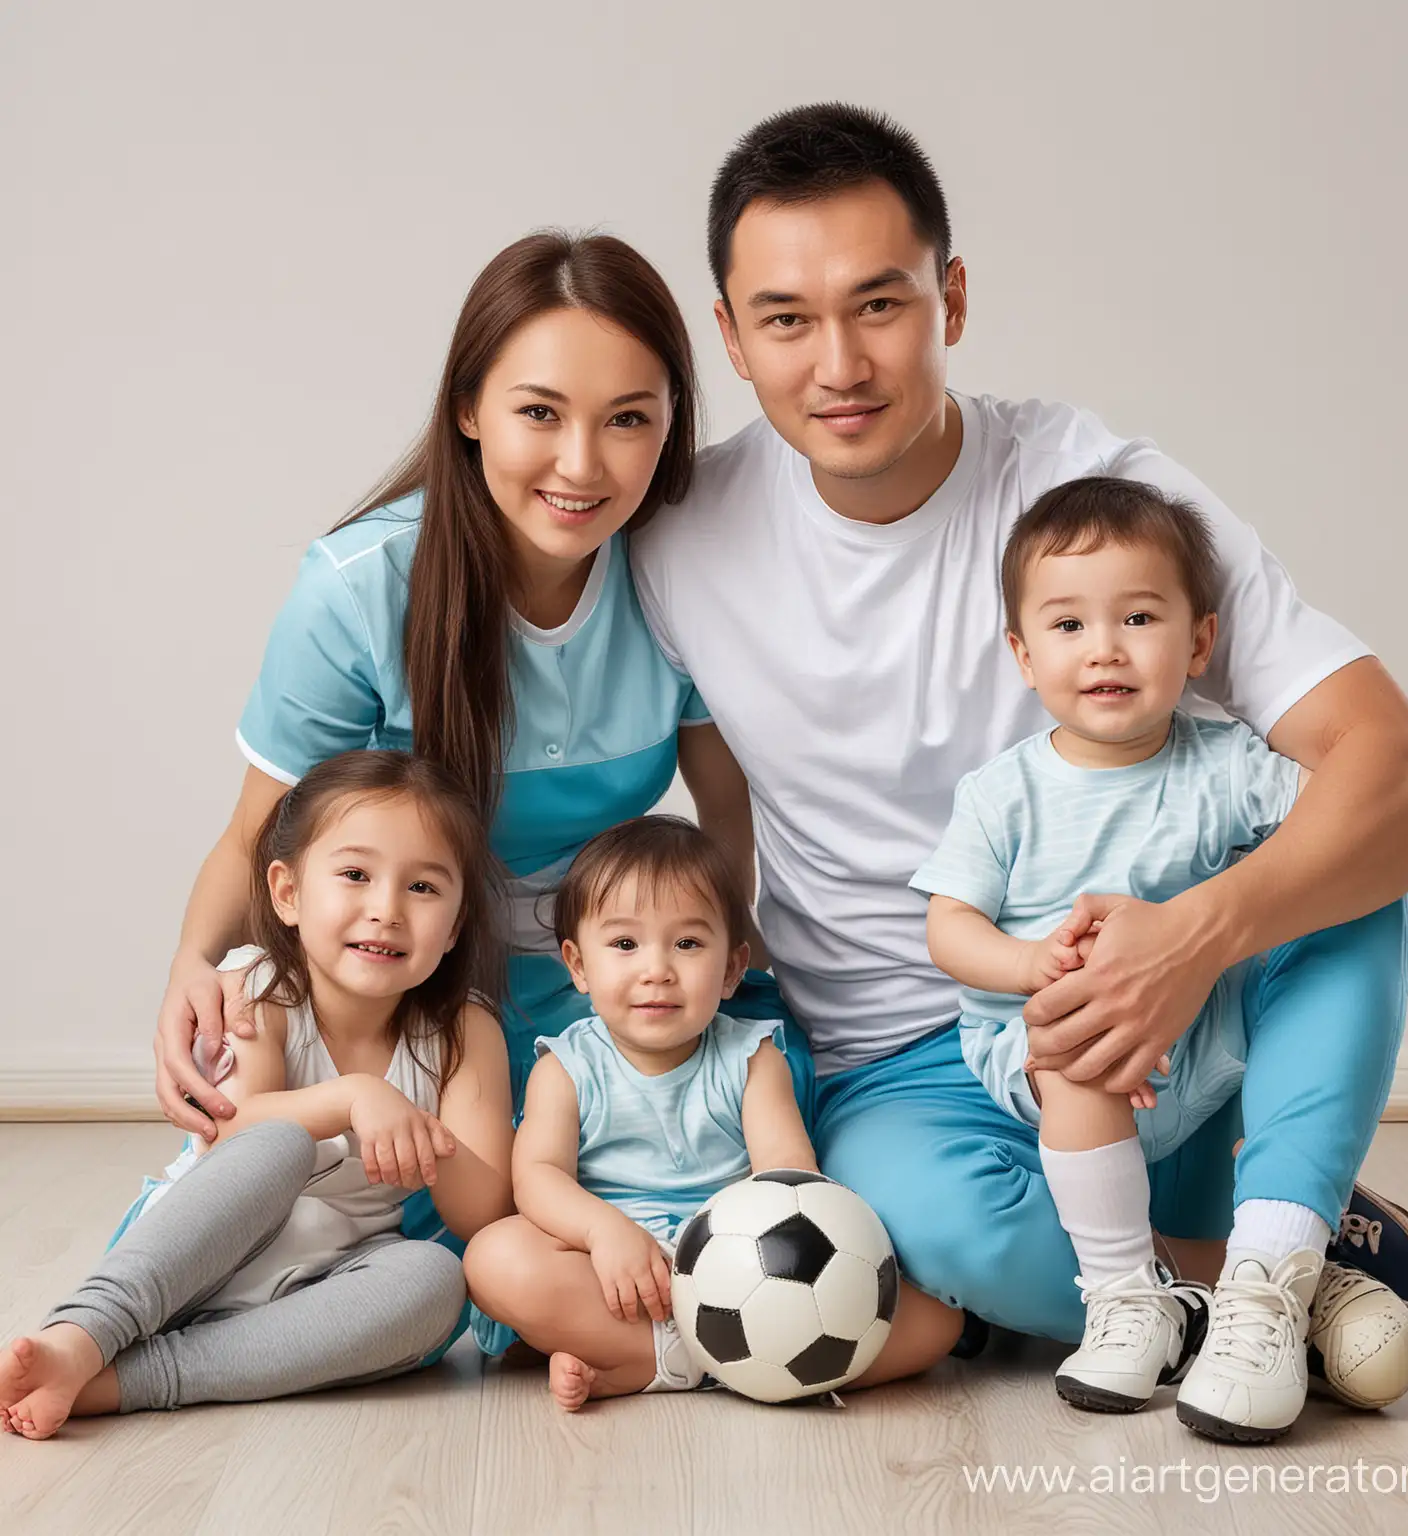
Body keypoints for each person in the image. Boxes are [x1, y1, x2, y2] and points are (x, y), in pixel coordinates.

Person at [628, 104, 1408, 1421]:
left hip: (1178, 1004)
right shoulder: (678, 534)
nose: (838, 362)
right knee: (961, 1255)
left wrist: (1194, 937)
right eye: (785, 319)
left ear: (951, 299)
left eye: (880, 304)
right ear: (729, 337)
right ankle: (1284, 1265)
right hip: (911, 1050)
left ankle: (1271, 1226)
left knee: (1358, 862)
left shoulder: (1095, 495)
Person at [147, 233, 814, 1350]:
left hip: (583, 987)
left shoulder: (681, 570)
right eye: (540, 413)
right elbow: (253, 836)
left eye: (629, 419)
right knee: (341, 1218)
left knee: (727, 1146)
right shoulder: (361, 588)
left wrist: (708, 970)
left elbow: (728, 817)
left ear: (671, 426)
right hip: (412, 998)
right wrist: (189, 969)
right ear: (468, 408)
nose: (583, 465)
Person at [916, 477, 1408, 1440]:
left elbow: (1344, 820)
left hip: (1202, 1027)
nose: (1104, 647)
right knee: (1076, 1058)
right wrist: (1032, 970)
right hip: (1060, 1044)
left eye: (1138, 617)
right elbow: (949, 928)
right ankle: (1126, 1299)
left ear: (1197, 643)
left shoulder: (1225, 763)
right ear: (1023, 656)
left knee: (1364, 883)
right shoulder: (1002, 794)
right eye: (1067, 626)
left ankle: (1278, 1258)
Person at [0, 751, 512, 1440]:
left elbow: (478, 1211)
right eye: (355, 875)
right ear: (288, 892)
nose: (385, 910)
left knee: (435, 1278)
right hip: (189, 1260)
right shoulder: (257, 989)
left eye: (422, 888)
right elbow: (230, 1130)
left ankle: (130, 1382)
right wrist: (354, 1096)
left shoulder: (464, 1032)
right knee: (278, 1143)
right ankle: (87, 1334)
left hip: (322, 1293)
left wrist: (423, 1136)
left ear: (453, 929)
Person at [464, 816, 961, 1409]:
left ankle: (669, 1361)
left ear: (732, 969)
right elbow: (537, 1179)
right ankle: (703, 1358)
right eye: (625, 944)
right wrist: (604, 1234)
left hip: (747, 1266)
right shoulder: (566, 1066)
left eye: (688, 944)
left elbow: (788, 1177)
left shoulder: (752, 1057)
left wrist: (765, 1280)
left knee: (938, 1324)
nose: (657, 970)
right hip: (617, 1272)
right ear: (577, 965)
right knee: (493, 1258)